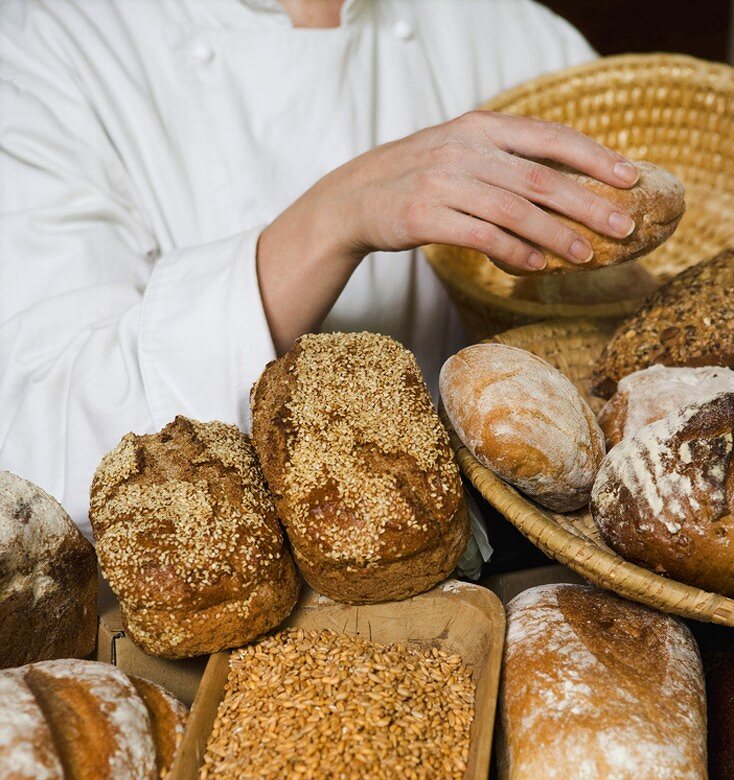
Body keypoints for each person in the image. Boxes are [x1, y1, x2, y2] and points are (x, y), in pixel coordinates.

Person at [0, 0, 638, 536]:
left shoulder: (512, 29)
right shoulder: (43, 49)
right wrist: (334, 217)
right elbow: (43, 456)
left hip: (510, 563)